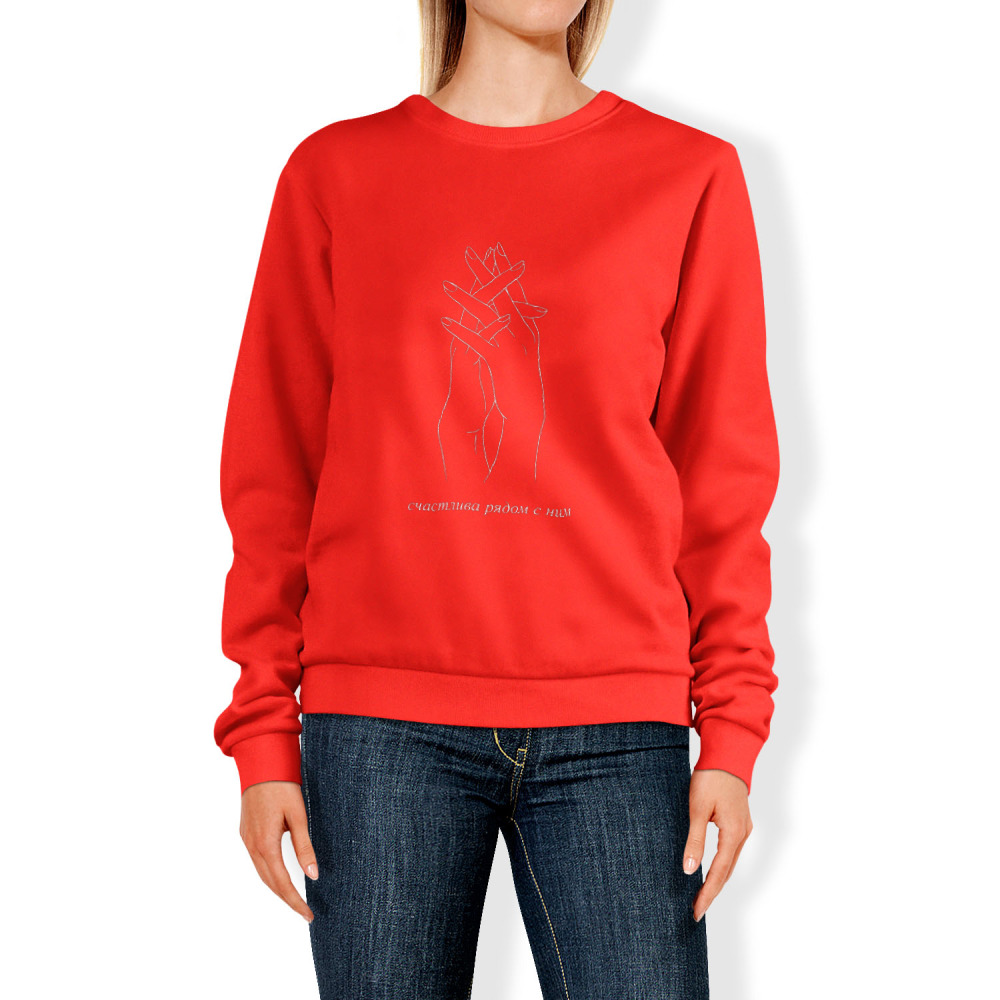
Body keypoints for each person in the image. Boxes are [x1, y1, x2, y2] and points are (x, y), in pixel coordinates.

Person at [214, 1, 779, 996]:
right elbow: (274, 471)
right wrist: (263, 729)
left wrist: (731, 728)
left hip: (617, 724)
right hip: (378, 725)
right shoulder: (335, 174)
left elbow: (722, 476)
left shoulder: (688, 175)